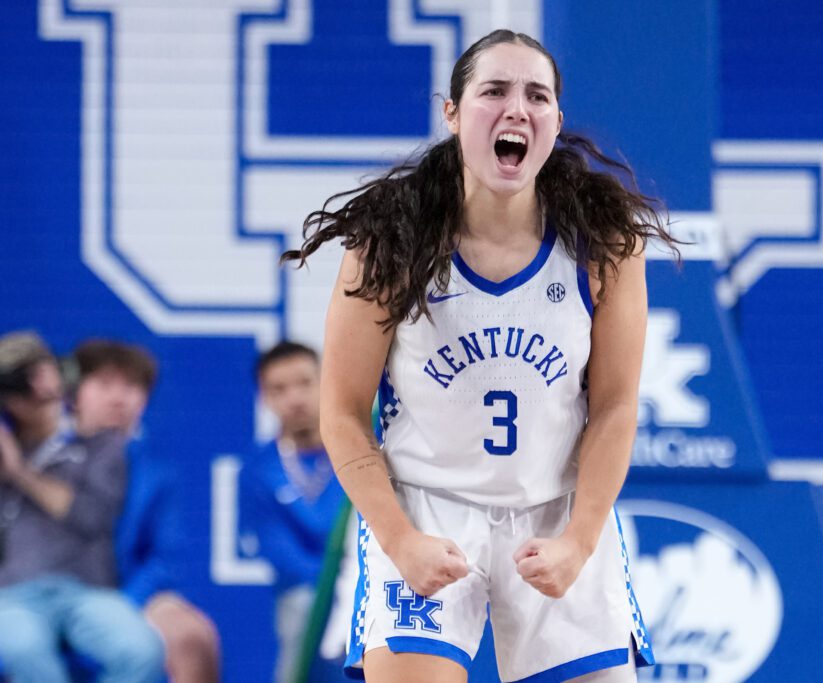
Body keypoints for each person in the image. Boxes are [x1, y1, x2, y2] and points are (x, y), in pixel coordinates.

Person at [282, 29, 676, 683]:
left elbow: (613, 407)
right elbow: (343, 412)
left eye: (537, 96)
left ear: (554, 120)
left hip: (556, 506)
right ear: (454, 113)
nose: (517, 108)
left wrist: (579, 540)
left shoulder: (605, 243)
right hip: (426, 505)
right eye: (494, 90)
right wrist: (399, 538)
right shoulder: (390, 241)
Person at [0, 331, 164, 683]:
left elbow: (91, 516)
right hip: (12, 595)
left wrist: (19, 472)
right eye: (18, 381)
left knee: (142, 651)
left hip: (87, 592)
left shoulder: (101, 446)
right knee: (25, 654)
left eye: (38, 373)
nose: (32, 389)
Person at [71, 338, 222, 683]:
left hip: (132, 596)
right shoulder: (43, 463)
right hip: (51, 596)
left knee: (191, 636)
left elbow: (163, 560)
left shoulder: (157, 473)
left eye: (132, 386)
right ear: (73, 392)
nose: (119, 397)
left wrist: (122, 607)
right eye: (105, 384)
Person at [240, 341, 349, 683]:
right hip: (306, 591)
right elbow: (279, 553)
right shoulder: (259, 469)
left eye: (304, 383)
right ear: (264, 398)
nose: (295, 398)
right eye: (279, 389)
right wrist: (335, 581)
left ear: (325, 381)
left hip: (368, 582)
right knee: (302, 610)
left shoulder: (361, 446)